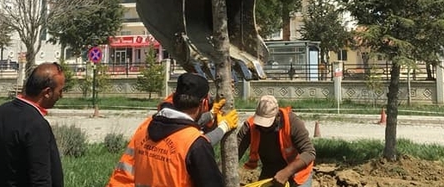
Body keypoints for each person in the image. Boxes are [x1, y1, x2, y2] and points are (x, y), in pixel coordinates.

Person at [107, 73, 237, 187]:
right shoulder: (194, 144)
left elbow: (180, 130)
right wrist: (223, 127)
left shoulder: (144, 128)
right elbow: (191, 145)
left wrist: (211, 114)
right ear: (203, 104)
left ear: (174, 97)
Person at [0, 62, 66, 187]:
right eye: (60, 91)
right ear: (47, 92)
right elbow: (40, 179)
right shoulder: (36, 125)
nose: (61, 95)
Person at [238, 95, 315, 187]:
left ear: (277, 116)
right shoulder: (250, 126)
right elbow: (234, 152)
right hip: (270, 170)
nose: (263, 127)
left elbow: (309, 153)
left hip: (297, 172)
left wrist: (286, 172)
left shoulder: (292, 122)